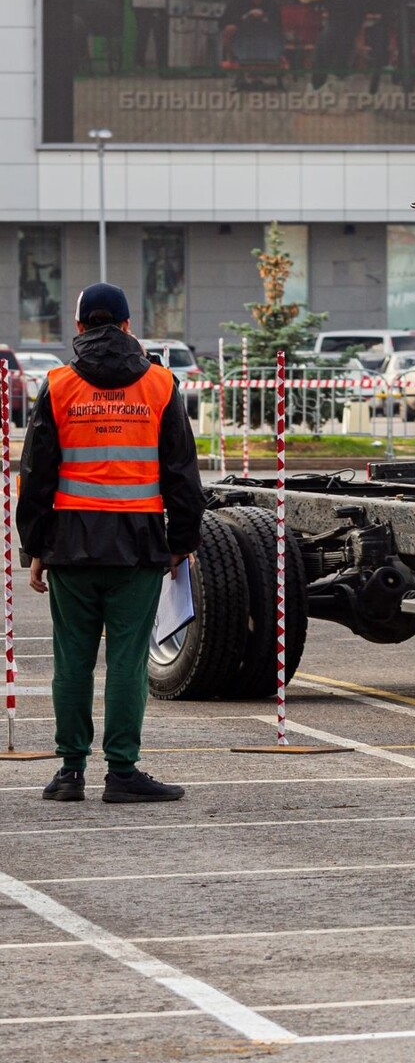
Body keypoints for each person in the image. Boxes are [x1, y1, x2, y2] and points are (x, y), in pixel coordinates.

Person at [16, 283, 203, 804]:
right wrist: (182, 541)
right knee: (126, 661)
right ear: (126, 326)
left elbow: (36, 472)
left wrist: (34, 548)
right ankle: (122, 772)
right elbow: (182, 473)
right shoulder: (160, 385)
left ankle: (69, 772)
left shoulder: (58, 385)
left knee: (72, 661)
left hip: (71, 544)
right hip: (139, 545)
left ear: (79, 328)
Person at [219, 0, 285, 87]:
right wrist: (246, 16)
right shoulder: (237, 0)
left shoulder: (272, 3)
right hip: (242, 41)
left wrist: (265, 18)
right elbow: (223, 22)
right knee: (229, 29)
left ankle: (258, 73)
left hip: (263, 41)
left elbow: (278, 28)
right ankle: (237, 70)